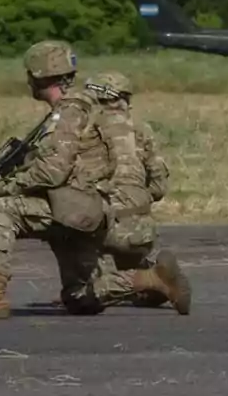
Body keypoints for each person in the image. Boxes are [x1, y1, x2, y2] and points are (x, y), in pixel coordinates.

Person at [0, 41, 174, 319]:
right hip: (86, 210)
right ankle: (150, 279)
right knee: (78, 298)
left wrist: (2, 188)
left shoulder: (71, 110)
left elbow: (52, 171)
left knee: (1, 209)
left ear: (39, 75)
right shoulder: (87, 105)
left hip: (85, 209)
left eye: (30, 74)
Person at [70, 72, 191, 314]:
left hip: (106, 230)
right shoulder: (141, 129)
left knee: (79, 296)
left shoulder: (85, 131)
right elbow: (159, 186)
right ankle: (153, 284)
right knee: (131, 271)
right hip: (143, 231)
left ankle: (151, 279)